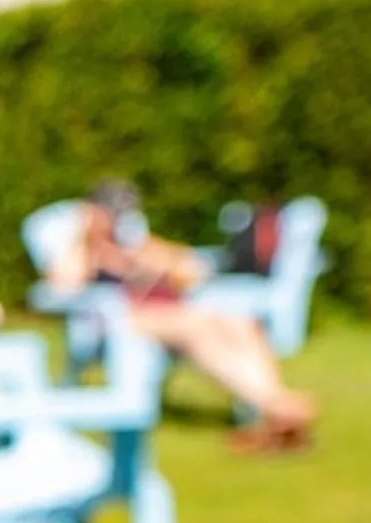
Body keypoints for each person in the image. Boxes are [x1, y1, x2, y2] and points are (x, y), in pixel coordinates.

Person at [49, 181, 316, 451]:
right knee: (196, 327)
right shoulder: (83, 249)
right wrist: (85, 237)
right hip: (125, 320)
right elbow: (63, 284)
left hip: (170, 310)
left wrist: (153, 260)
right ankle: (278, 406)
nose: (116, 219)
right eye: (109, 212)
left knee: (240, 323)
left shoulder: (132, 243)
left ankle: (273, 404)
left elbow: (190, 266)